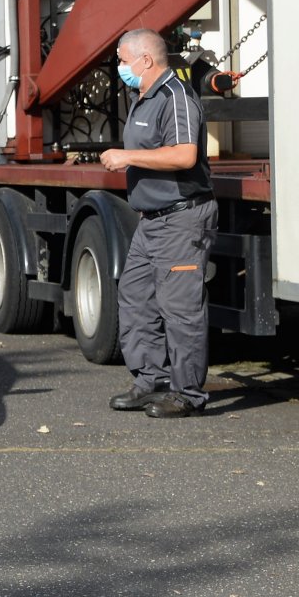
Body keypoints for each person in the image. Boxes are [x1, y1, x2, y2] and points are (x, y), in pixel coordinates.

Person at [99, 28, 216, 418]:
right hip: (151, 222)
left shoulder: (175, 97)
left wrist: (127, 156)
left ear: (145, 60)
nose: (120, 67)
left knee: (180, 309)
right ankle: (152, 381)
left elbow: (184, 155)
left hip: (181, 218)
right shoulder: (141, 98)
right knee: (135, 298)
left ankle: (187, 394)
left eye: (122, 59)